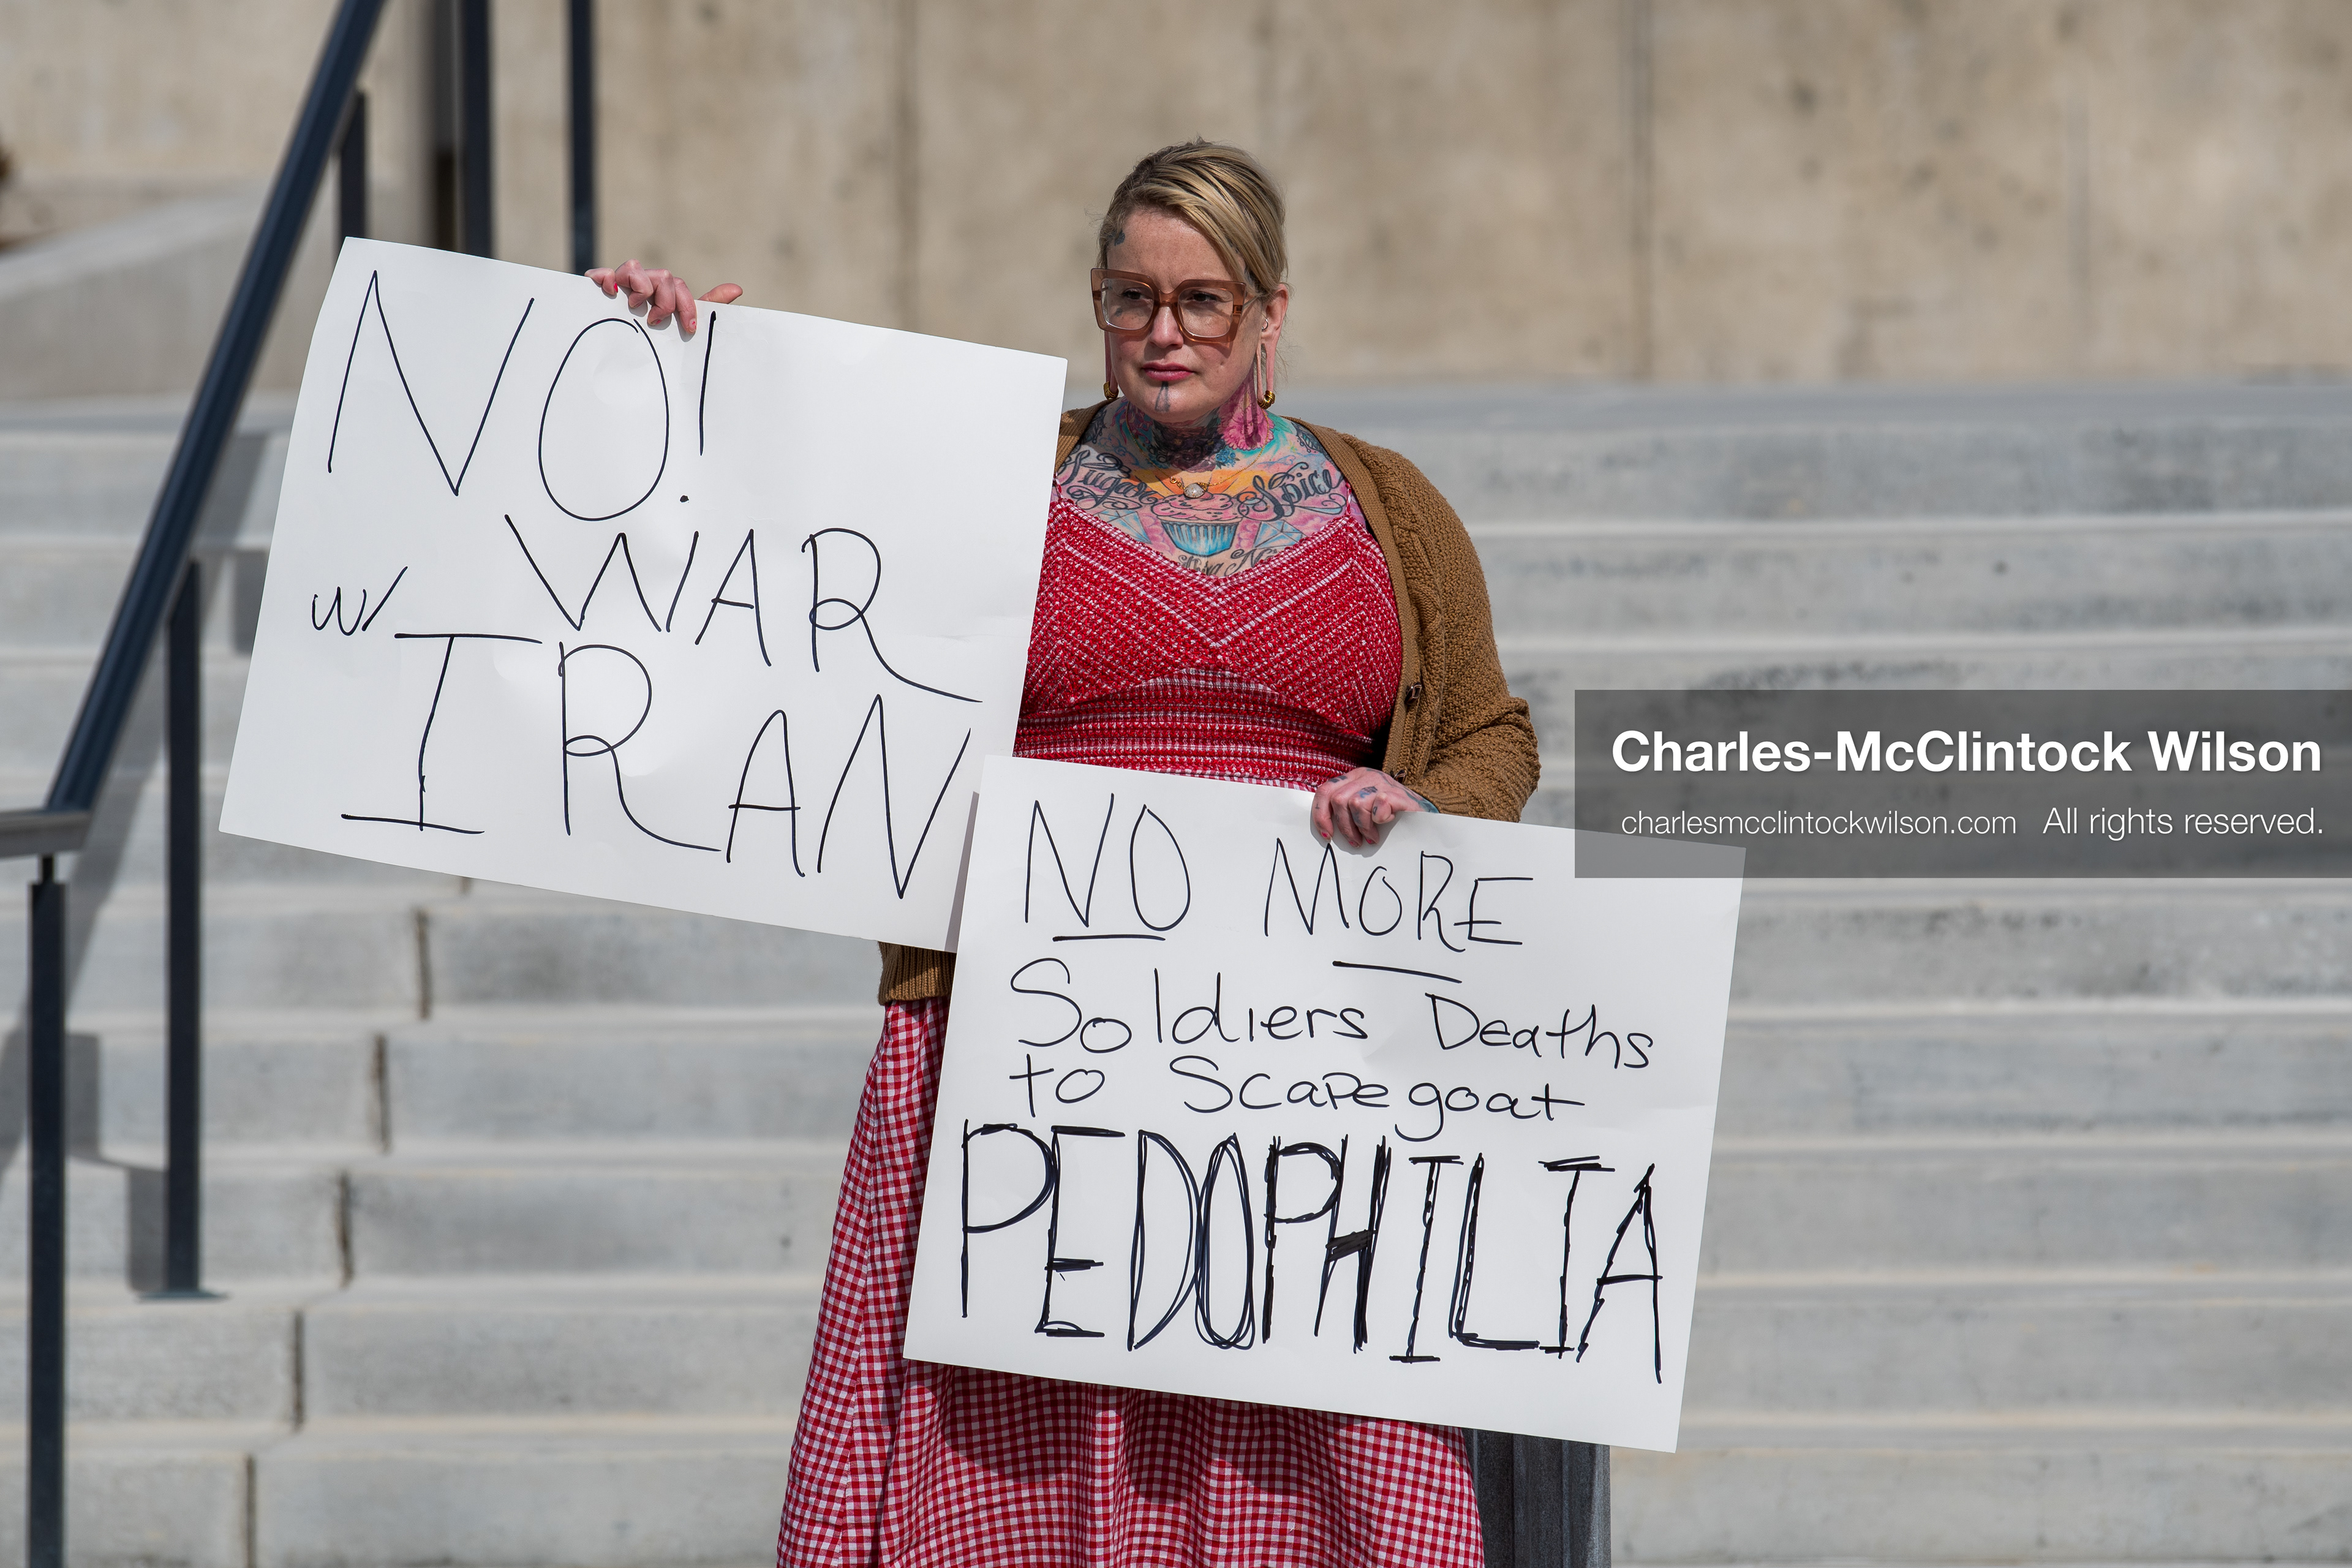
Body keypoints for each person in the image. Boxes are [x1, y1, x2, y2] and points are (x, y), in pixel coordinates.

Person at [594, 140, 1538, 1568]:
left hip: (1304, 1055)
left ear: (1273, 310)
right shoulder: (991, 477)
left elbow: (1489, 734)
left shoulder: (1390, 507)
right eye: (1130, 295)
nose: (1164, 331)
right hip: (1035, 1048)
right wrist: (673, 366)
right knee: (1021, 1428)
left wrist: (1412, 808)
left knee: (1333, 1440)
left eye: (1204, 299)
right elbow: (767, 572)